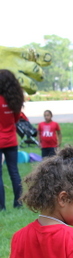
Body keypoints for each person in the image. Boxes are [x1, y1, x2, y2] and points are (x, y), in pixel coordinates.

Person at [0, 69, 24, 211]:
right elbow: (16, 119)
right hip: (11, 141)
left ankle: (1, 207)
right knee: (14, 172)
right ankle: (18, 203)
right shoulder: (15, 99)